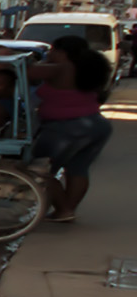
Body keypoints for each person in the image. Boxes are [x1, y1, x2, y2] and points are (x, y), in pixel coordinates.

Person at [28, 34, 114, 223]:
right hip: (96, 124)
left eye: (52, 50)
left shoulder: (61, 68)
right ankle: (66, 210)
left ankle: (64, 209)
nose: (50, 53)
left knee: (40, 169)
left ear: (62, 52)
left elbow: (28, 72)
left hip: (67, 127)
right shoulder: (88, 67)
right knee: (78, 169)